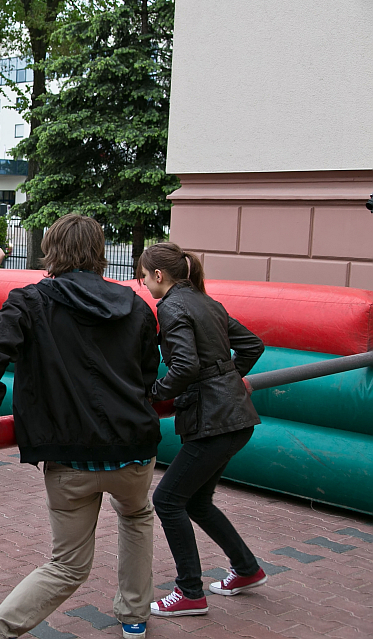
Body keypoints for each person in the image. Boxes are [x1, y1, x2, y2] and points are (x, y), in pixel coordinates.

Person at [0, 214, 160, 639]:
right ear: (99, 253)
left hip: (69, 456)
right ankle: (135, 615)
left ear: (51, 251)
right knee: (137, 515)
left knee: (68, 564)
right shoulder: (136, 305)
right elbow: (147, 372)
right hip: (133, 448)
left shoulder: (30, 301)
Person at [141, 242, 267, 617]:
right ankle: (246, 569)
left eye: (144, 277)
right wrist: (228, 379)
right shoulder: (206, 302)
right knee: (195, 501)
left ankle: (190, 593)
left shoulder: (171, 306)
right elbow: (253, 346)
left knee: (167, 500)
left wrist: (152, 395)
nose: (144, 284)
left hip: (214, 422)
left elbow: (185, 367)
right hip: (233, 418)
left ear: (159, 275)